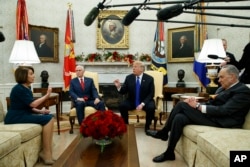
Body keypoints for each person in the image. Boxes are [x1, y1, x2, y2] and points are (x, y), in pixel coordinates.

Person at [146, 64, 250, 163]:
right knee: (179, 117)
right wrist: (194, 103)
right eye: (219, 78)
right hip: (213, 117)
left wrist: (198, 107)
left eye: (222, 77)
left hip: (224, 122)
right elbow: (211, 103)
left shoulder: (243, 91)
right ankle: (169, 152)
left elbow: (224, 110)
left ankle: (164, 133)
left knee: (181, 105)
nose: (219, 80)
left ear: (232, 77)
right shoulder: (222, 88)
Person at [4, 66, 55, 165]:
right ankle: (46, 153)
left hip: (22, 114)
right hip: (15, 117)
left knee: (49, 117)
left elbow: (29, 106)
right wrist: (47, 95)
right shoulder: (19, 89)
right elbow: (33, 104)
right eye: (31, 74)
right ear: (24, 76)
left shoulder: (25, 88)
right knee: (48, 119)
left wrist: (41, 112)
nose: (34, 76)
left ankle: (47, 152)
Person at [113, 61, 156, 133]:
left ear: (141, 69)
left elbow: (151, 94)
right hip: (132, 101)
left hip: (145, 101)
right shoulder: (129, 78)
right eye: (133, 67)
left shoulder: (149, 79)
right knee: (122, 105)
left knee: (151, 107)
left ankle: (147, 127)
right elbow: (124, 91)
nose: (133, 68)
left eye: (135, 67)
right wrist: (119, 87)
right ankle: (125, 125)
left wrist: (142, 104)